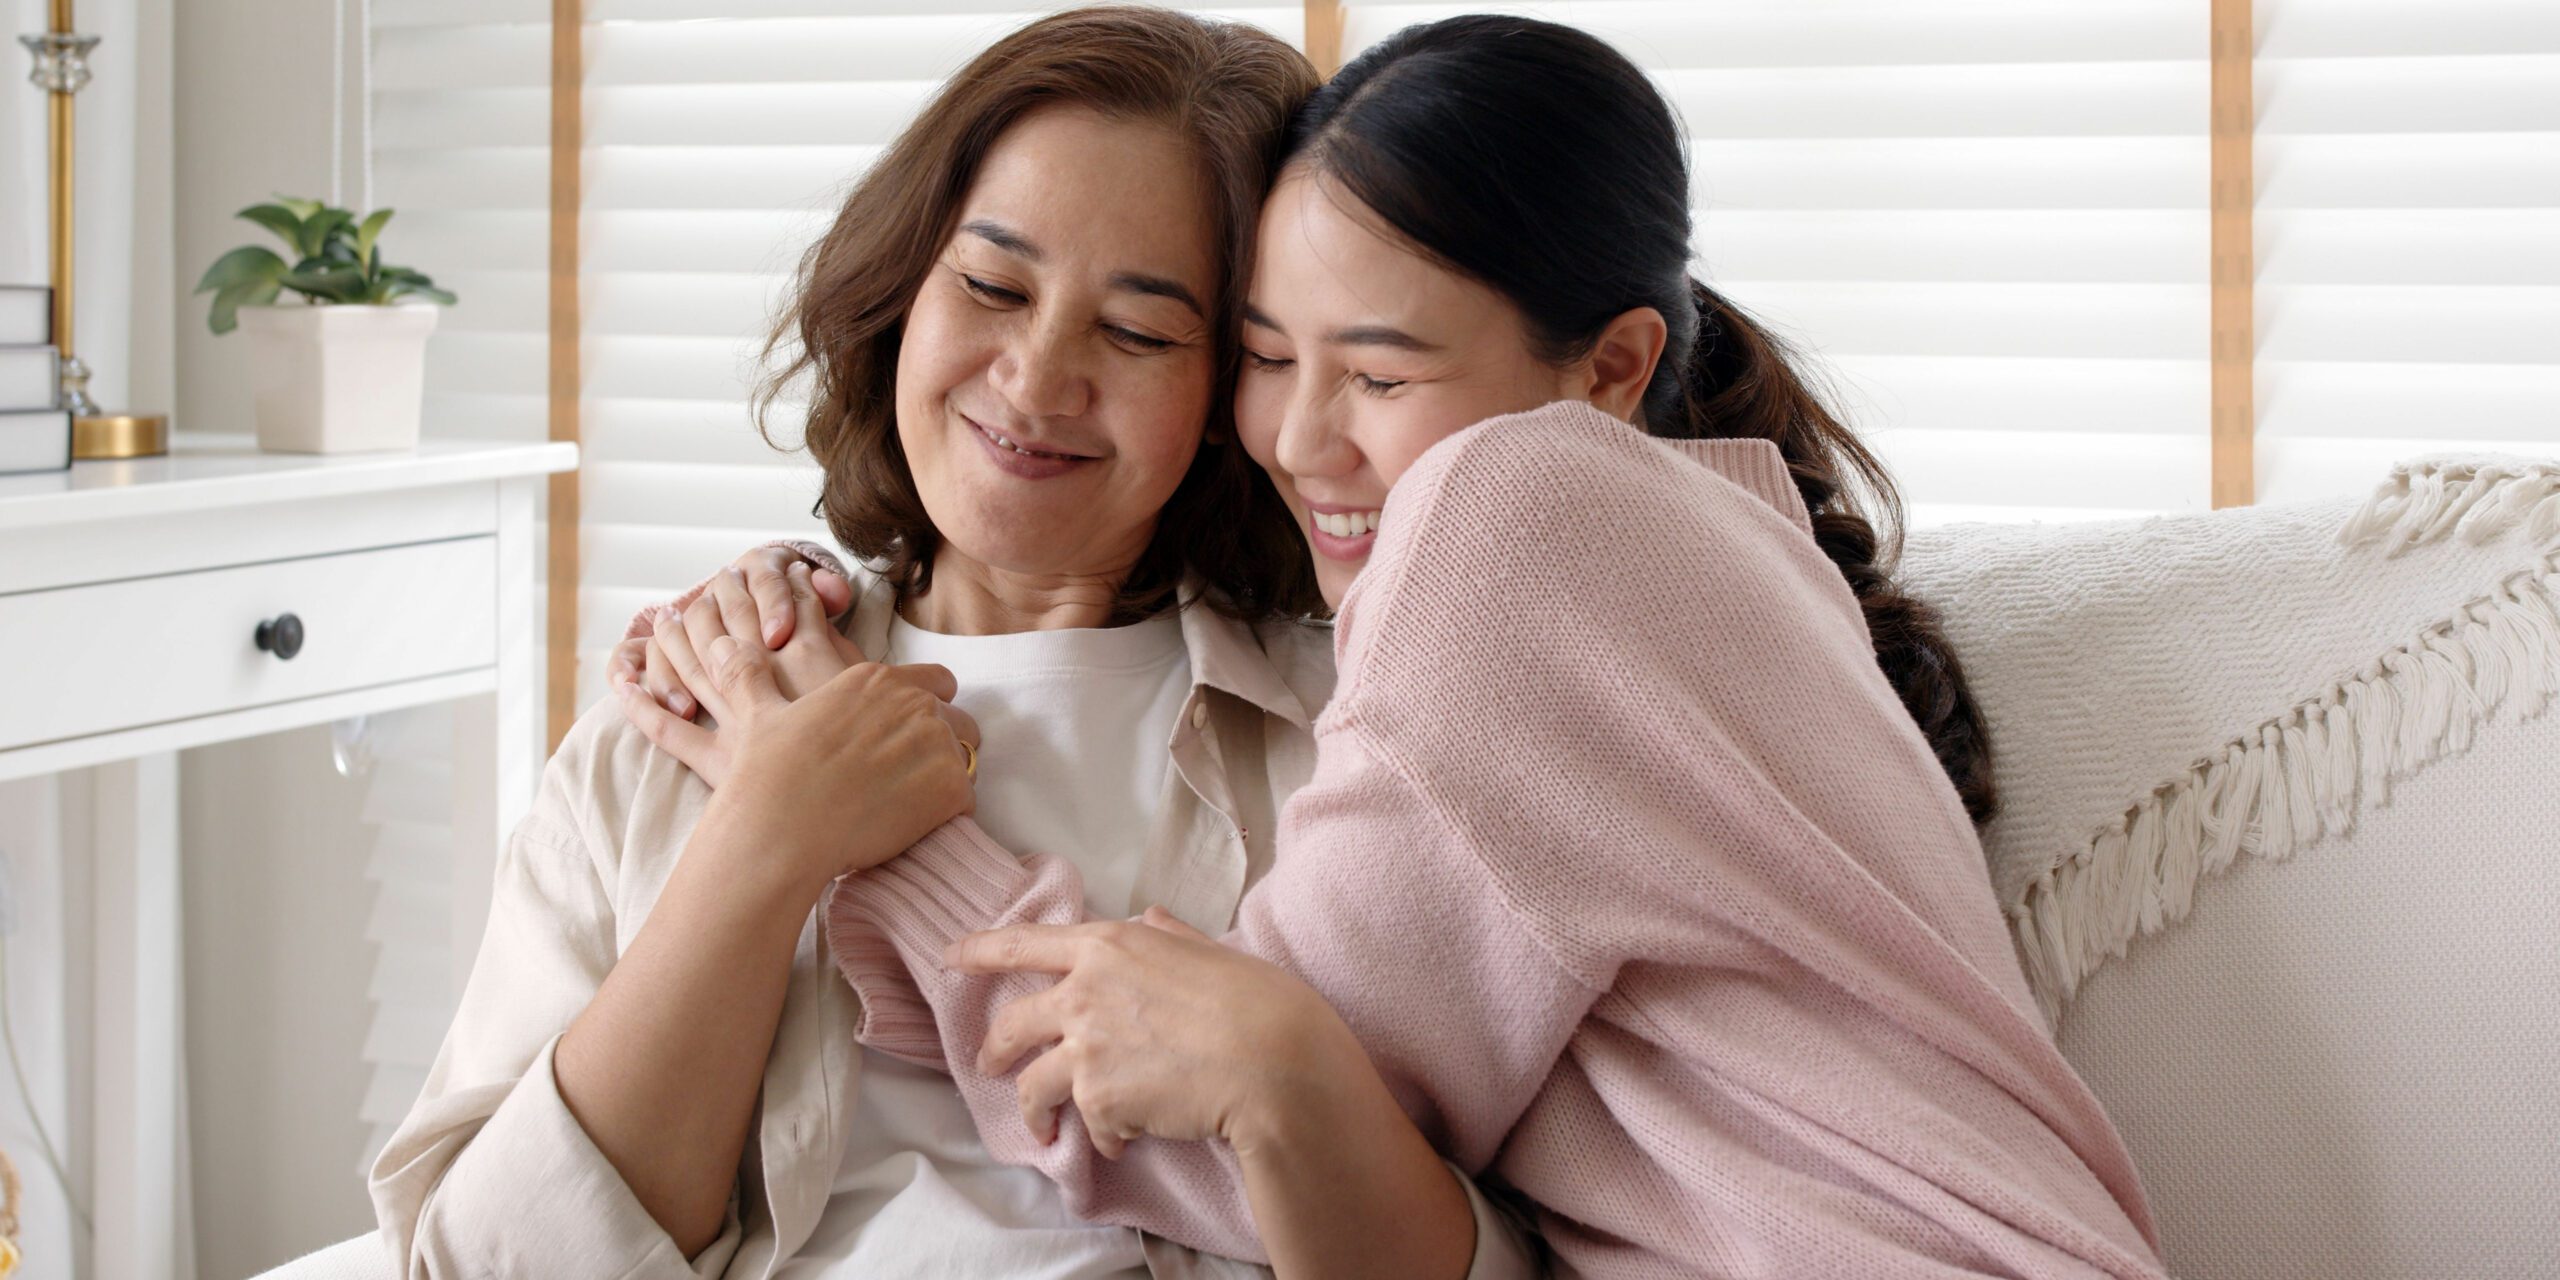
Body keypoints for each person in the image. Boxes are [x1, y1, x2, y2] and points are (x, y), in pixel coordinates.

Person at [619, 14, 2172, 1280]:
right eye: (1267, 355)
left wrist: (842, 804)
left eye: (1378, 373)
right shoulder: (1712, 542)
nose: (1300, 440)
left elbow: (1201, 1135)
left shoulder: (1512, 525)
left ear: (1615, 366)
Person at [369, 8, 1538, 1278]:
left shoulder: (1366, 750)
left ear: (1231, 390)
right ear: (903, 287)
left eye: (1139, 331)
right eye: (990, 286)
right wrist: (767, 837)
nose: (1035, 381)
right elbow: (483, 1262)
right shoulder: (689, 705)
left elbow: (1501, 1241)